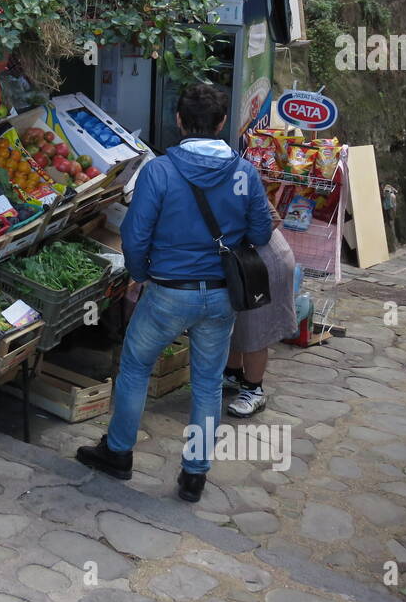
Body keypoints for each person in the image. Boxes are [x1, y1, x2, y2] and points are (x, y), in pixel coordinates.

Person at [77, 83, 273, 503]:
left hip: (167, 292)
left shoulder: (160, 171)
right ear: (222, 124)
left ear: (179, 121)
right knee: (207, 384)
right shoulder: (244, 173)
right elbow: (260, 231)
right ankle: (194, 475)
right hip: (222, 296)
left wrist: (141, 273)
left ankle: (118, 453)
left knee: (134, 370)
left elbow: (134, 234)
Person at [222, 198, 298, 417]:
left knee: (255, 329)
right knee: (236, 322)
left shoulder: (239, 174)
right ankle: (233, 373)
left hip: (261, 262)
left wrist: (234, 239)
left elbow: (272, 219)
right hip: (238, 261)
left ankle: (254, 389)